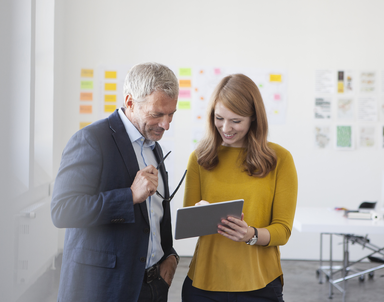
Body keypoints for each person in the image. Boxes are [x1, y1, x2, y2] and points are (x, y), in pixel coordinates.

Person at [51, 62, 180, 302]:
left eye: (171, 113)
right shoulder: (90, 140)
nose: (166, 124)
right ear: (130, 102)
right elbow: (62, 210)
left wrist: (170, 257)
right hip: (105, 289)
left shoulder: (155, 148)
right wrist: (129, 196)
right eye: (157, 114)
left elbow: (155, 212)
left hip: (153, 288)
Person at [181, 74, 298, 302]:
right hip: (204, 284)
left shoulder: (280, 159)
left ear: (254, 118)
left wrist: (250, 235)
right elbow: (187, 225)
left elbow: (282, 230)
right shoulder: (200, 158)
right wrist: (201, 214)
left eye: (236, 121)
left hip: (259, 284)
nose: (226, 128)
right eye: (219, 118)